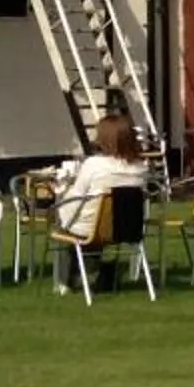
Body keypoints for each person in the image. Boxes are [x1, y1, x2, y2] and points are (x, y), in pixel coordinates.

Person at [46, 115, 149, 289]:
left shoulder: (94, 164)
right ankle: (96, 270)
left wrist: (59, 196)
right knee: (93, 220)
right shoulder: (141, 168)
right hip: (127, 227)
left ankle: (65, 282)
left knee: (64, 222)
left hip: (91, 226)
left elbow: (76, 195)